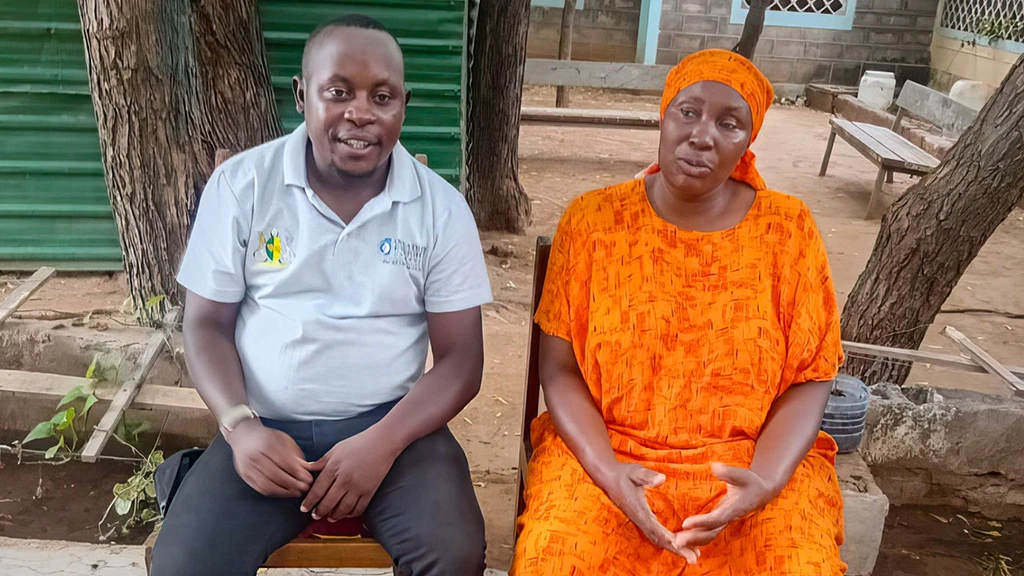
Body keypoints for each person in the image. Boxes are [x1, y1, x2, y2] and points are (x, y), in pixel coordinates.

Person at [150, 14, 491, 576]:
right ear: (301, 95)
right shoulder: (242, 186)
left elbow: (462, 362)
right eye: (338, 92)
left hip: (397, 433)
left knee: (452, 555)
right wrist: (240, 427)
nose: (360, 112)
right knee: (185, 565)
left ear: (403, 106)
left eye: (382, 97)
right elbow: (206, 325)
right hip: (266, 431)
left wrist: (381, 444)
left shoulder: (440, 209)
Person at [511, 49, 846, 575]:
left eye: (729, 123)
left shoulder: (788, 231)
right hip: (607, 455)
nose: (702, 136)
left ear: (748, 141)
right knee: (556, 557)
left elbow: (811, 378)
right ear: (663, 117)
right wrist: (610, 474)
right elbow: (559, 370)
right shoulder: (594, 222)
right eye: (687, 112)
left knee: (798, 563)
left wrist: (763, 482)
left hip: (750, 463)